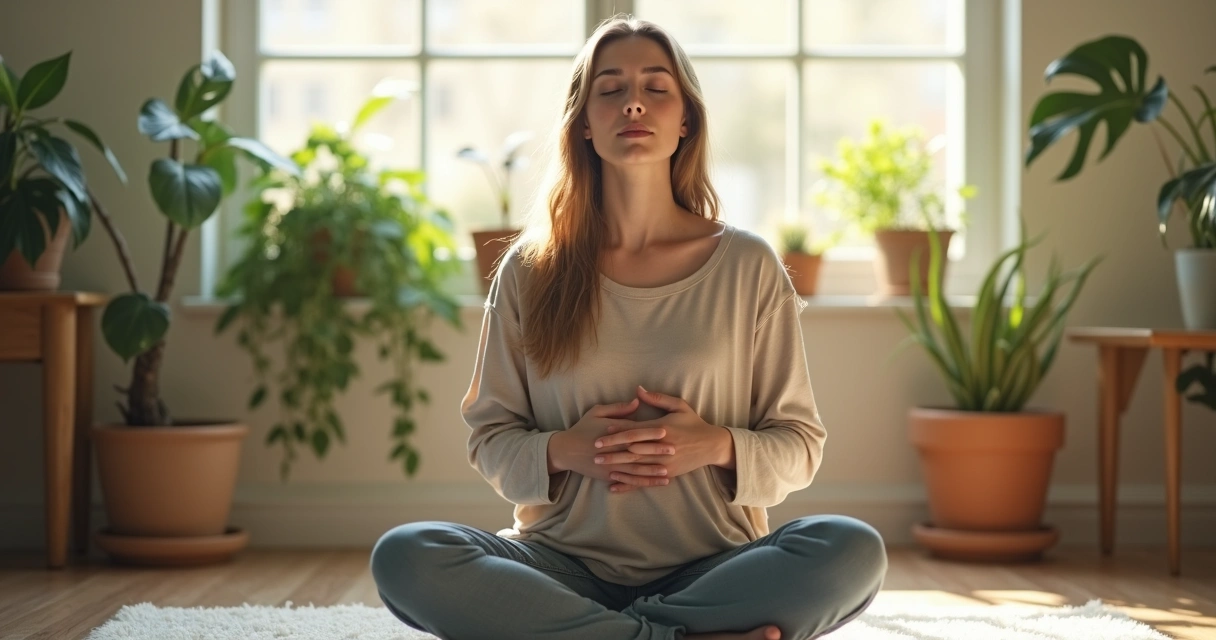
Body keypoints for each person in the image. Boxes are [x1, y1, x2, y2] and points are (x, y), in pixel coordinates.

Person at [370, 14, 887, 640]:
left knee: (851, 548)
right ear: (584, 123)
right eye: (610, 88)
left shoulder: (748, 265)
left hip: (716, 569)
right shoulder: (530, 270)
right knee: (407, 554)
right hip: (559, 566)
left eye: (656, 86)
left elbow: (799, 445)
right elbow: (490, 439)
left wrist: (715, 445)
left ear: (685, 119)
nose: (633, 100)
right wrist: (566, 450)